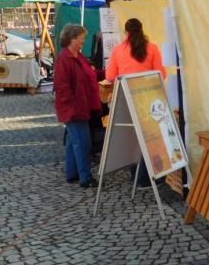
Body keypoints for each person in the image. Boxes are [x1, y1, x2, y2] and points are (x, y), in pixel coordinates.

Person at [105, 18, 166, 187]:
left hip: (126, 99)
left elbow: (110, 76)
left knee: (132, 139)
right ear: (142, 30)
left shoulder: (118, 50)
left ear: (126, 32)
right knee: (149, 138)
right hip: (147, 99)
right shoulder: (152, 48)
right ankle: (148, 177)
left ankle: (135, 176)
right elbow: (161, 74)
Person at [53, 24, 100, 188]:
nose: (83, 41)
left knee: (75, 142)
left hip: (80, 106)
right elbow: (62, 86)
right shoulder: (64, 58)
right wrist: (73, 104)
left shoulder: (77, 56)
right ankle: (85, 178)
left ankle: (72, 174)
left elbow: (90, 74)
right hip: (74, 109)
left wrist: (105, 73)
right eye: (81, 38)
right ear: (72, 39)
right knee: (83, 143)